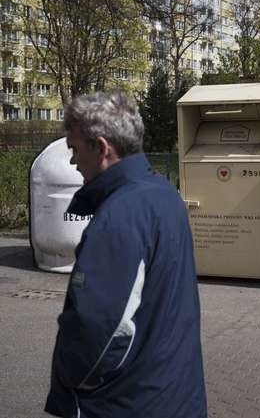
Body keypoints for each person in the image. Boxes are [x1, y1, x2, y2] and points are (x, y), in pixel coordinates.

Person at [45, 91, 207, 418]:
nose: (73, 161)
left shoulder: (119, 215)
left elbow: (97, 329)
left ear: (102, 148)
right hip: (174, 394)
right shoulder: (164, 194)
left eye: (74, 148)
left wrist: (70, 379)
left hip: (126, 403)